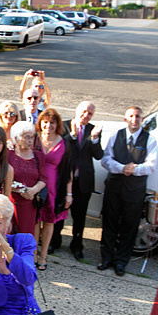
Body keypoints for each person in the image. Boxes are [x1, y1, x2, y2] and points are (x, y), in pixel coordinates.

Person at [98, 106, 156, 277]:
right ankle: (106, 258)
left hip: (135, 190)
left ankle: (121, 261)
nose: (134, 119)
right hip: (114, 186)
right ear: (125, 119)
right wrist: (122, 168)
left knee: (129, 226)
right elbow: (106, 159)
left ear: (142, 119)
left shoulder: (150, 139)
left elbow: (151, 165)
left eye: (137, 116)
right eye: (131, 116)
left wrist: (134, 169)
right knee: (110, 222)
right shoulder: (116, 136)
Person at [34, 109, 75, 271]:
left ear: (57, 124)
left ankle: (44, 255)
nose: (48, 125)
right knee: (36, 221)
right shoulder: (34, 140)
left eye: (52, 122)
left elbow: (69, 170)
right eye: (45, 121)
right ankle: (34, 254)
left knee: (49, 222)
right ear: (40, 123)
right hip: (36, 186)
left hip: (54, 189)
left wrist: (69, 194)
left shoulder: (64, 143)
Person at [61, 101, 102, 260]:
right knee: (60, 213)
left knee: (79, 216)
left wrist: (94, 139)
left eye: (90, 113)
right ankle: (55, 241)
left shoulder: (94, 130)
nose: (86, 115)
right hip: (65, 179)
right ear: (76, 110)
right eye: (83, 111)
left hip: (83, 181)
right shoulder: (64, 125)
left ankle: (77, 245)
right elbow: (61, 147)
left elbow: (98, 155)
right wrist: (71, 135)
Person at [7, 121, 46, 235]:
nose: (30, 141)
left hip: (28, 203)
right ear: (16, 138)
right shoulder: (8, 154)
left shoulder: (38, 156)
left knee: (25, 236)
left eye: (32, 137)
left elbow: (44, 179)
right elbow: (1, 177)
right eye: (26, 137)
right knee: (7, 234)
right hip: (10, 201)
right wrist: (17, 189)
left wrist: (33, 190)